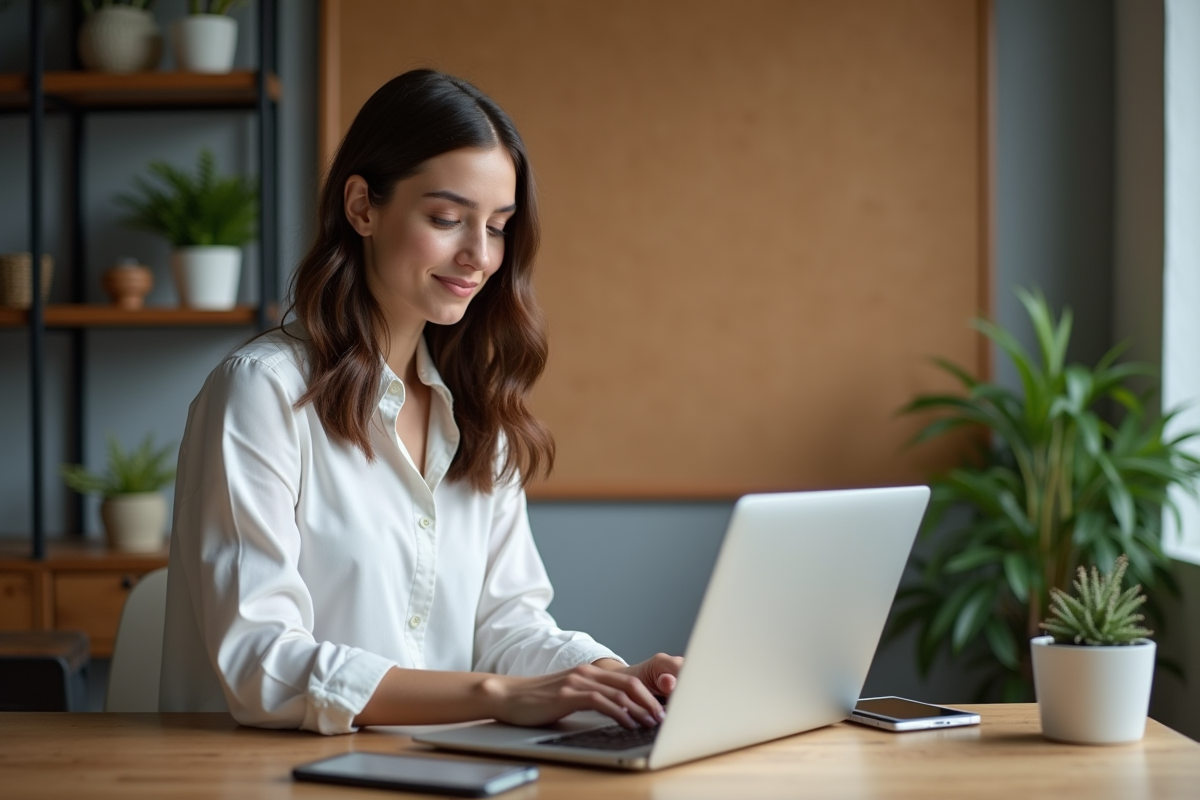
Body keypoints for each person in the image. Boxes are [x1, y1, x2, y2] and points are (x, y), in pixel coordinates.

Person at [159, 69, 682, 735]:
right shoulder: (262, 391)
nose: (479, 256)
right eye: (446, 219)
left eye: (498, 227)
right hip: (268, 772)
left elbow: (509, 624)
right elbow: (263, 663)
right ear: (362, 207)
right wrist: (498, 694)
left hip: (440, 770)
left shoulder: (479, 415)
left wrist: (613, 677)